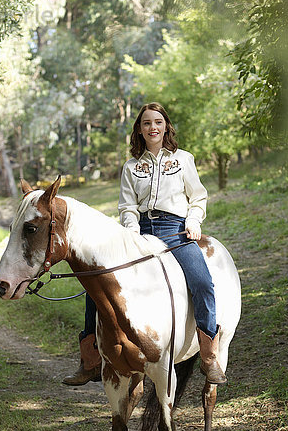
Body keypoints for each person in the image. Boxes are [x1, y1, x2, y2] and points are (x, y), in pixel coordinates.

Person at [62, 102, 226, 386]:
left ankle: (209, 357)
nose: (153, 127)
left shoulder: (184, 159)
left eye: (158, 122)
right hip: (139, 229)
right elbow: (127, 205)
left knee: (202, 282)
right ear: (139, 129)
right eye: (147, 123)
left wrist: (194, 220)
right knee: (97, 282)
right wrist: (131, 232)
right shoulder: (131, 167)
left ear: (166, 127)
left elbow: (198, 197)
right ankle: (90, 360)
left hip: (175, 230)